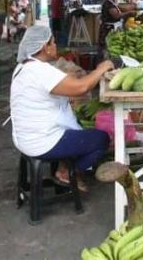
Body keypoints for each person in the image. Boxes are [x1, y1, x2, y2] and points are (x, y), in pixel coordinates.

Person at [10, 25, 114, 189]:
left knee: (79, 130)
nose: (56, 46)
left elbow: (56, 81)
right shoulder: (40, 71)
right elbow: (81, 88)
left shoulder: (24, 67)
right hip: (43, 142)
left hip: (24, 138)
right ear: (45, 47)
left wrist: (78, 75)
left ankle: (65, 164)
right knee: (101, 139)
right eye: (53, 42)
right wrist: (101, 69)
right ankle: (67, 172)